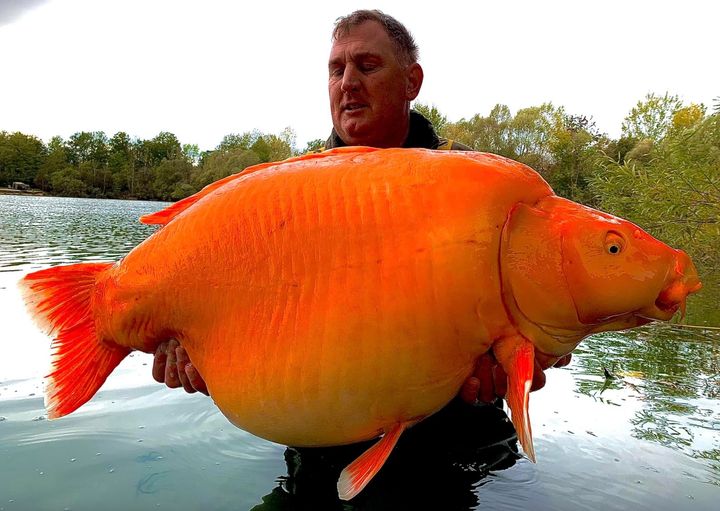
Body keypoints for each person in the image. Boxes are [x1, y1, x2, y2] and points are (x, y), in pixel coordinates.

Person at [152, 8, 570, 414]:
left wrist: (537, 351)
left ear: (412, 81)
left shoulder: (480, 185)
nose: (348, 83)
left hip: (459, 433)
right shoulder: (288, 193)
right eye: (337, 70)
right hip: (324, 427)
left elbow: (553, 304)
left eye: (367, 66)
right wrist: (198, 350)